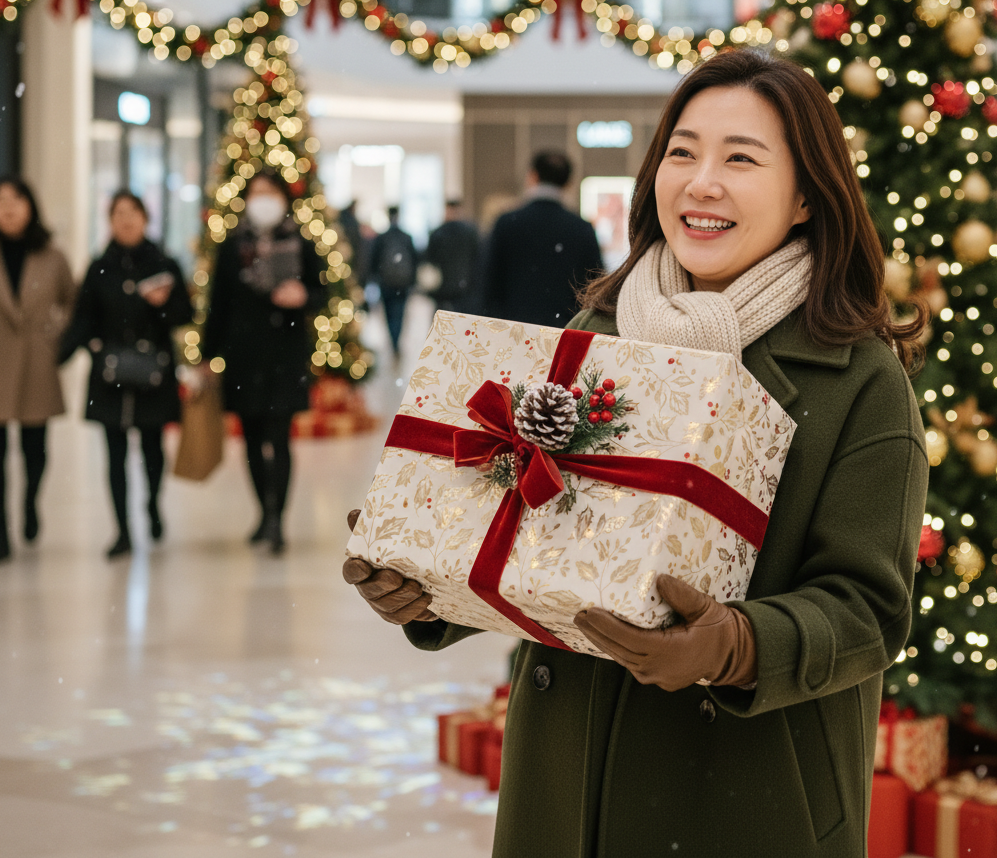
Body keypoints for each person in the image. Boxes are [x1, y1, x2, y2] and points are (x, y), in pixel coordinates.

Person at [343, 51, 929, 858]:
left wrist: (736, 645)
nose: (702, 182)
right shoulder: (596, 335)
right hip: (563, 784)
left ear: (806, 197)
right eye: (683, 152)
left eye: (741, 159)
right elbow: (538, 538)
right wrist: (430, 588)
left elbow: (869, 611)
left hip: (749, 800)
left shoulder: (859, 380)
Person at [60, 191, 192, 559]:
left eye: (133, 212)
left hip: (155, 373)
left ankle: (152, 505)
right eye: (119, 213)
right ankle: (122, 530)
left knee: (153, 449)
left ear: (145, 219)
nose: (126, 219)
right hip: (110, 375)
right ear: (110, 221)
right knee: (114, 454)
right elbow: (83, 317)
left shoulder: (164, 263)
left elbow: (185, 314)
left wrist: (163, 304)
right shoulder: (99, 267)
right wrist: (71, 352)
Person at [202, 168, 325, 554]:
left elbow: (322, 291)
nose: (263, 200)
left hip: (285, 354)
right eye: (256, 193)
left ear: (284, 198)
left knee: (280, 436)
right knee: (252, 439)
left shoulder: (301, 243)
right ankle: (264, 511)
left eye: (270, 192)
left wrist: (302, 296)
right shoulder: (233, 246)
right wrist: (206, 355)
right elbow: (218, 303)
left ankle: (277, 520)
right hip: (244, 356)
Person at [0, 179, 75, 563]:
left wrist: (55, 338)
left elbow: (72, 302)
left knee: (35, 448)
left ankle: (30, 502)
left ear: (30, 207)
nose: (7, 208)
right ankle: (0, 530)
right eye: (0, 200)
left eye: (16, 199)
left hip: (37, 362)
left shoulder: (52, 257)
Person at [481, 151, 603, 327]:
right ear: (569, 183)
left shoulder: (507, 223)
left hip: (514, 330)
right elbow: (594, 286)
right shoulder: (582, 228)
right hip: (565, 331)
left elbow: (489, 284)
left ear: (532, 176)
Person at [370, 206, 418, 356]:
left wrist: (374, 278)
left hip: (386, 283)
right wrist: (413, 281)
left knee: (389, 314)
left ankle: (393, 341)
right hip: (403, 284)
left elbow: (374, 261)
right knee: (399, 313)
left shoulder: (381, 238)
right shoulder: (407, 237)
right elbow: (415, 260)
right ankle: (396, 341)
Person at [424, 200, 481, 314]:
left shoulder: (438, 233)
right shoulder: (470, 232)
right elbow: (477, 258)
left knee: (443, 318)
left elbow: (429, 260)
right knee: (462, 318)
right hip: (465, 285)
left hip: (442, 287)